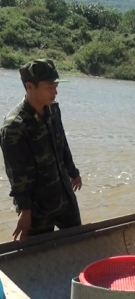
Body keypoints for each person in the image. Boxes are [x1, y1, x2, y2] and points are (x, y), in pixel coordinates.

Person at [0, 59, 83, 243]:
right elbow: (17, 173)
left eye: (56, 85)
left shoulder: (53, 110)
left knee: (79, 244)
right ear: (30, 86)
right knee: (38, 258)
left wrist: (72, 171)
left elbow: (62, 143)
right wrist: (25, 210)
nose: (55, 91)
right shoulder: (15, 126)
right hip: (38, 208)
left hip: (64, 197)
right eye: (49, 87)